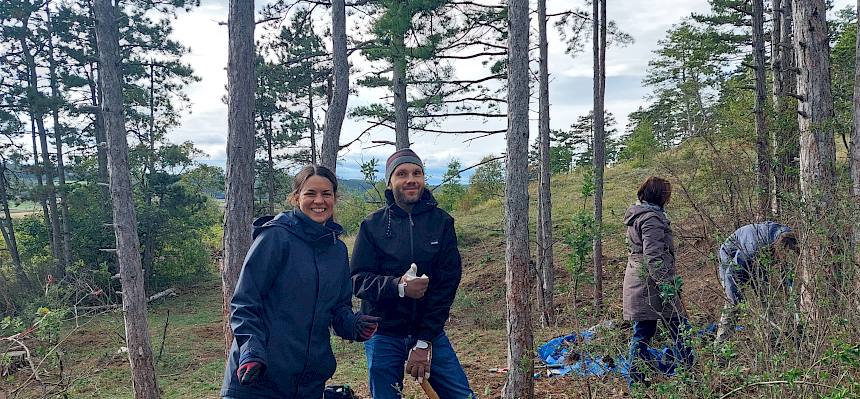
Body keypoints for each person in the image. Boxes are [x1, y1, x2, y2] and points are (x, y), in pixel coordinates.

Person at [221, 165, 379, 399]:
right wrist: (251, 350)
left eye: (326, 194)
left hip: (307, 384)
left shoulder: (337, 250)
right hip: (258, 377)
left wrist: (353, 325)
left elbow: (338, 309)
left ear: (335, 198)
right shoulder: (275, 237)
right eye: (310, 193)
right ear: (296, 197)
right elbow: (245, 303)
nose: (319, 201)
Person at [351, 148, 476, 399]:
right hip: (382, 333)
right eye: (402, 173)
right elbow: (357, 280)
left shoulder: (442, 223)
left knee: (462, 395)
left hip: (429, 332)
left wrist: (424, 340)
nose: (411, 179)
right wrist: (398, 286)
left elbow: (447, 284)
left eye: (417, 173)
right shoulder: (371, 225)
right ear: (390, 182)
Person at [622, 176, 693, 386]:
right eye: (666, 194)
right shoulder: (652, 218)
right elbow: (653, 257)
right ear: (659, 196)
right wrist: (667, 288)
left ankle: (637, 381)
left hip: (642, 282)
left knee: (643, 333)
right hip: (651, 286)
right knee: (680, 330)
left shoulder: (642, 215)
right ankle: (688, 379)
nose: (669, 198)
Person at [715, 222, 799, 342]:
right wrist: (734, 299)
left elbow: (788, 268)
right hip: (732, 259)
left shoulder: (789, 236)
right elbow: (731, 273)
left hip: (759, 260)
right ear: (779, 248)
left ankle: (773, 340)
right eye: (784, 256)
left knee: (767, 298)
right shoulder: (751, 249)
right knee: (732, 308)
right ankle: (720, 349)